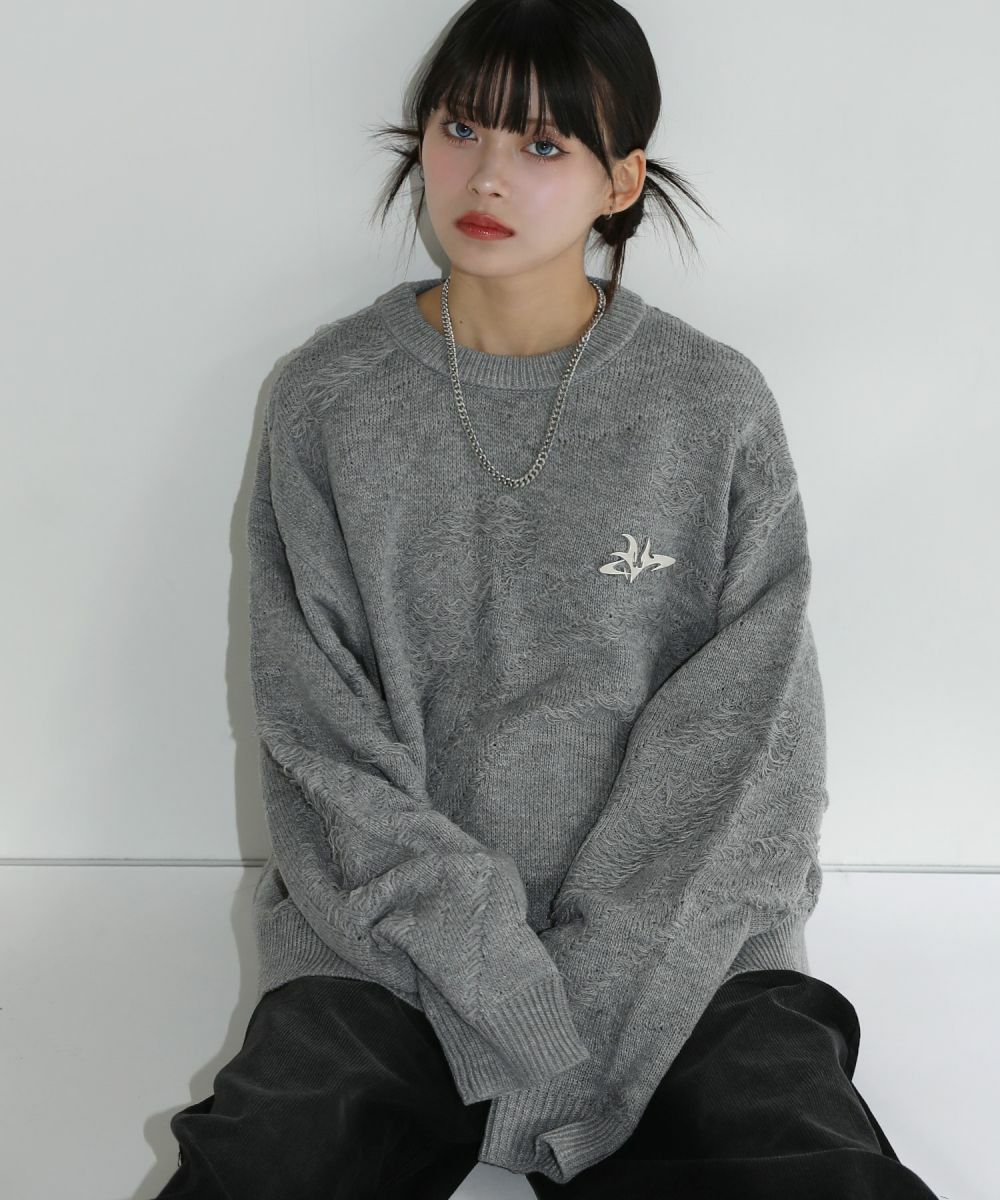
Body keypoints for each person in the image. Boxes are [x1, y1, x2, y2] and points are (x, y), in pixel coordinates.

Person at [154, 1, 940, 1197]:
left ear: (619, 181)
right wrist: (499, 985)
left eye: (542, 144)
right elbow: (320, 736)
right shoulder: (330, 399)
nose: (485, 176)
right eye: (461, 127)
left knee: (809, 1164)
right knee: (265, 1162)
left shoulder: (709, 405)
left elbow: (750, 747)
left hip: (682, 960)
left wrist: (596, 999)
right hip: (392, 953)